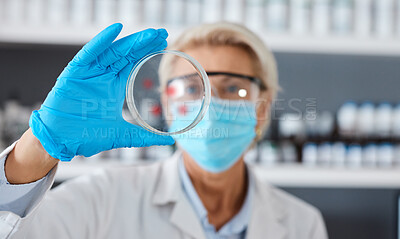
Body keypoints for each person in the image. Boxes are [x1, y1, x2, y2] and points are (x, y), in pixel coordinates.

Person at [0, 22, 327, 239]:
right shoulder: (102, 199)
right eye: (190, 88)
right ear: (167, 107)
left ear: (263, 108)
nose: (209, 105)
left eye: (233, 89)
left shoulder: (302, 225)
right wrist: (42, 144)